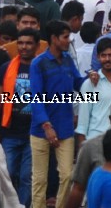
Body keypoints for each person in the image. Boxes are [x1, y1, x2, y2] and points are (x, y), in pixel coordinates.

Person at [30, 20, 84, 208]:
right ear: (54, 39)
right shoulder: (39, 64)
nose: (68, 41)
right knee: (39, 179)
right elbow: (35, 98)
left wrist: (94, 77)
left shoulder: (68, 60)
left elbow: (79, 83)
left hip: (65, 127)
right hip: (40, 130)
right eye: (65, 37)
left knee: (68, 175)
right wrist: (47, 126)